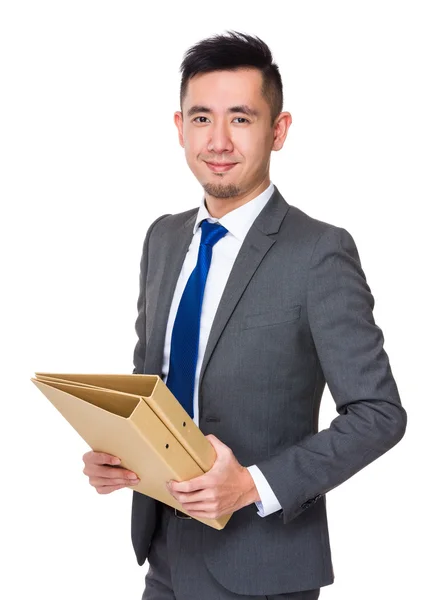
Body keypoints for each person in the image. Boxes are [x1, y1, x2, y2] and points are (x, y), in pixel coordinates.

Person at [81, 31, 407, 599]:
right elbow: (149, 389)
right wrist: (120, 453)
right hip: (162, 556)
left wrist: (255, 486)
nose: (220, 140)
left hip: (262, 567)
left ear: (277, 131)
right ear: (180, 129)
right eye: (202, 118)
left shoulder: (318, 252)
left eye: (242, 118)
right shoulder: (163, 238)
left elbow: (379, 414)